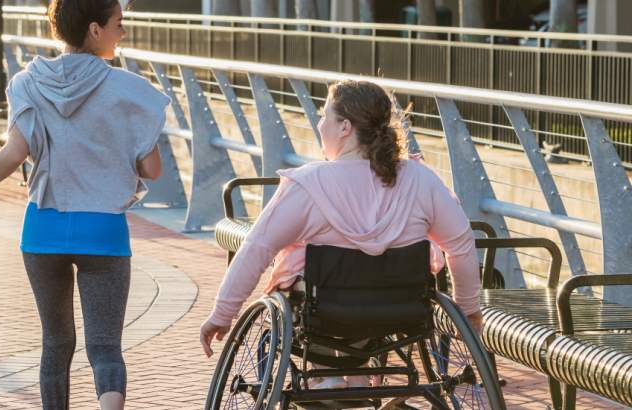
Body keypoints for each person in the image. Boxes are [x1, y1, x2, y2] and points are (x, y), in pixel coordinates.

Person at [0, 0, 170, 408]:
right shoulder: (129, 89)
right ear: (94, 30)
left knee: (55, 345)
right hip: (102, 232)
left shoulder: (27, 82)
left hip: (42, 231)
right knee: (104, 348)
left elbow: (16, 150)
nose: (123, 33)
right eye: (118, 24)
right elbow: (152, 169)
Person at [197, 80, 484, 389]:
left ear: (345, 127)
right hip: (401, 311)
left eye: (325, 115)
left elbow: (257, 248)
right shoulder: (421, 178)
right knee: (363, 288)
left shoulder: (309, 184)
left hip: (326, 314)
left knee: (294, 270)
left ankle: (328, 372)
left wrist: (222, 314)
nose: (320, 124)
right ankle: (358, 372)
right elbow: (461, 244)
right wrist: (468, 309)